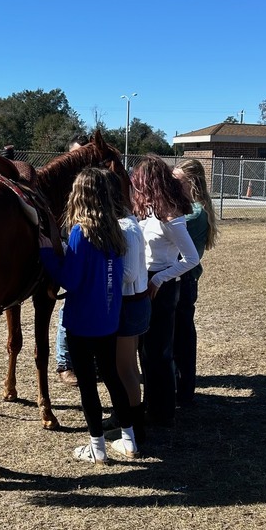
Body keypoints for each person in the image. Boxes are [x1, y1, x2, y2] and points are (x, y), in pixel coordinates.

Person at [39, 166, 139, 463]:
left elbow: (70, 280)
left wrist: (47, 253)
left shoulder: (79, 234)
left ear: (78, 195)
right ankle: (129, 441)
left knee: (87, 385)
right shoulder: (116, 232)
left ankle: (97, 449)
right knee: (112, 378)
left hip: (82, 322)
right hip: (109, 319)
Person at [131, 155, 200, 428]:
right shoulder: (146, 210)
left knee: (159, 352)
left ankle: (164, 411)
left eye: (139, 182)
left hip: (162, 285)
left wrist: (159, 279)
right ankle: (150, 404)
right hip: (142, 282)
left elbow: (191, 258)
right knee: (145, 351)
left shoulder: (172, 216)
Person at [106, 168, 150, 446]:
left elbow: (129, 274)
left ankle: (134, 427)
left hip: (130, 304)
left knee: (125, 368)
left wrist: (102, 267)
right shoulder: (125, 224)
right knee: (125, 367)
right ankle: (126, 417)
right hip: (132, 303)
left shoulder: (126, 228)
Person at [172, 159, 218, 405]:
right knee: (183, 334)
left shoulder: (194, 212)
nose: (171, 184)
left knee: (181, 336)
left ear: (190, 182)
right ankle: (183, 388)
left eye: (176, 181)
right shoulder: (192, 207)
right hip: (184, 278)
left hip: (184, 279)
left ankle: (183, 390)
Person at [55, 133, 91, 386]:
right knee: (67, 308)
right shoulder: (59, 184)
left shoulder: (91, 186)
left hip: (86, 248)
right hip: (69, 249)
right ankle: (64, 363)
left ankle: (87, 360)